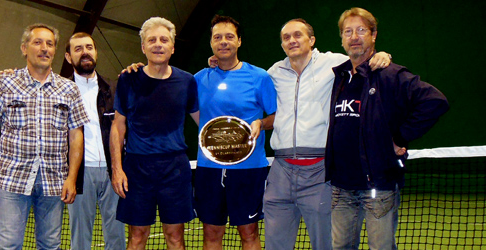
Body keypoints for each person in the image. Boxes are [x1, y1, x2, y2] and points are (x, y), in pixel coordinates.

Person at [263, 19, 391, 250]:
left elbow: (360, 54)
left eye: (298, 35)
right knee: (274, 244)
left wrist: (382, 55)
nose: (292, 40)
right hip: (280, 171)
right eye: (286, 37)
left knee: (327, 245)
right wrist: (217, 62)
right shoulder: (274, 72)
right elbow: (249, 79)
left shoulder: (334, 63)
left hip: (320, 171)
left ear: (311, 40)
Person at [326, 7, 448, 249]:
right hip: (341, 187)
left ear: (374, 35)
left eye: (361, 30)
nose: (354, 36)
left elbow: (436, 102)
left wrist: (400, 137)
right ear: (341, 38)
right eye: (347, 31)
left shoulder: (391, 74)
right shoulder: (339, 76)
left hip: (378, 187)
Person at [0, 23, 88, 249]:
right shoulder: (4, 82)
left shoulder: (69, 89)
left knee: (50, 245)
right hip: (11, 181)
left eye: (50, 44)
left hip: (54, 182)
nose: (44, 48)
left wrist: (71, 178)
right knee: (8, 245)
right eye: (37, 42)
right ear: (24, 48)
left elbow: (76, 136)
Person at [110, 17, 199, 250]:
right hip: (137, 169)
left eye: (164, 40)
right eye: (152, 40)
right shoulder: (128, 79)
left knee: (175, 236)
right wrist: (117, 169)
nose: (158, 44)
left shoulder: (187, 81)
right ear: (143, 47)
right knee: (137, 236)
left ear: (172, 47)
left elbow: (203, 122)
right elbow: (118, 126)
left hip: (175, 169)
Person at [194, 15, 276, 250]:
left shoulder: (259, 77)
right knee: (211, 233)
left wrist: (261, 123)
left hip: (249, 169)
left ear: (239, 41)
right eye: (217, 37)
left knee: (249, 232)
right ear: (211, 43)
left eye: (229, 37)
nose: (223, 42)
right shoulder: (199, 79)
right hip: (209, 168)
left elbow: (275, 116)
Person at [64, 32, 126, 250]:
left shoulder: (115, 88)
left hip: (114, 172)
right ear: (68, 57)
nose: (85, 52)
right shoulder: (60, 90)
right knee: (80, 240)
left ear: (96, 52)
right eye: (78, 49)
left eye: (89, 47)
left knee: (117, 236)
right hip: (80, 174)